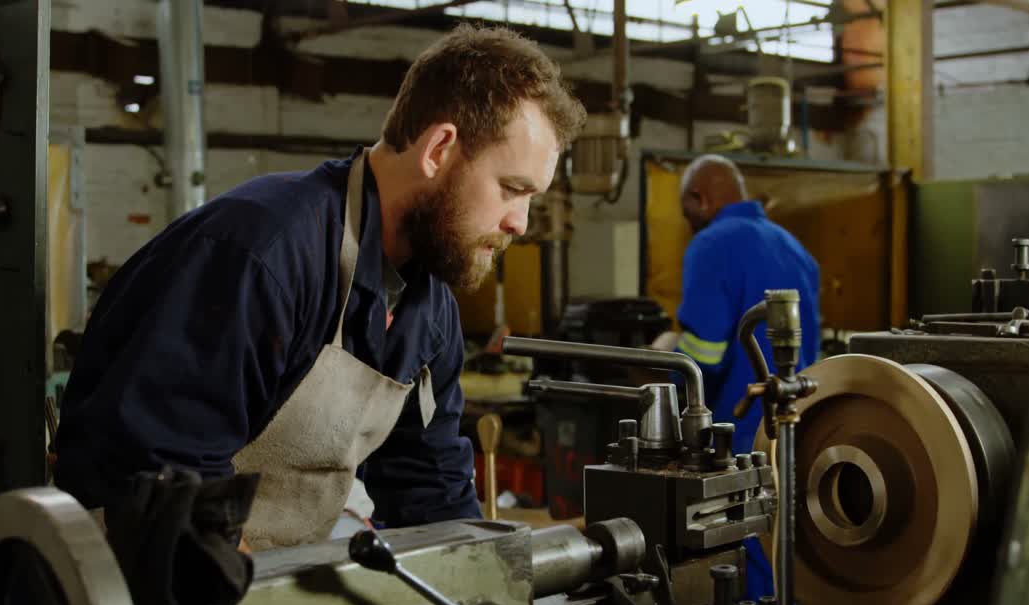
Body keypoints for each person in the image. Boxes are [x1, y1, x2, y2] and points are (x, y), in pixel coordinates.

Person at [54, 25, 587, 551]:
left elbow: (431, 493)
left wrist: (484, 591)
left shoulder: (430, 313)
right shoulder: (263, 254)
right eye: (512, 189)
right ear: (439, 149)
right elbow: (164, 475)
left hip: (268, 581)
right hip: (136, 588)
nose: (520, 222)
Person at [654, 154, 820, 455]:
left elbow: (704, 358)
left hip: (741, 435)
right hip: (800, 428)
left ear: (698, 198)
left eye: (687, 215)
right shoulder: (793, 247)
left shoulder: (711, 245)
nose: (690, 226)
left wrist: (668, 360)